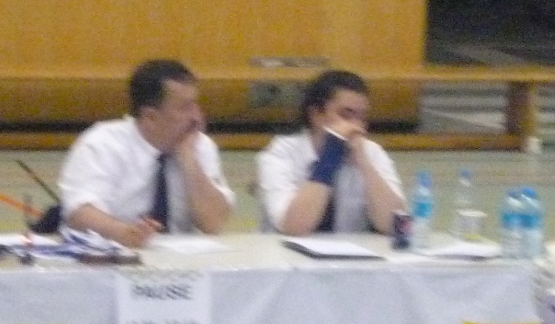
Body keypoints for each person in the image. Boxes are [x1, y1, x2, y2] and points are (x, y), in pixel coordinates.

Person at [57, 59, 235, 248]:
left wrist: (189, 160)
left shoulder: (200, 146)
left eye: (195, 105)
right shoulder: (102, 144)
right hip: (113, 254)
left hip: (180, 259)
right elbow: (80, 213)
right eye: (185, 108)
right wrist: (121, 232)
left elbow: (213, 224)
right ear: (150, 117)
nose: (196, 117)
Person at [255, 70, 404, 235]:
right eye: (345, 115)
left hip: (350, 250)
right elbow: (294, 227)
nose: (356, 126)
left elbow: (395, 225)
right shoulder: (281, 153)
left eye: (362, 117)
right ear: (315, 114)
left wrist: (364, 164)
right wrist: (330, 156)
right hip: (285, 250)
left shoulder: (371, 152)